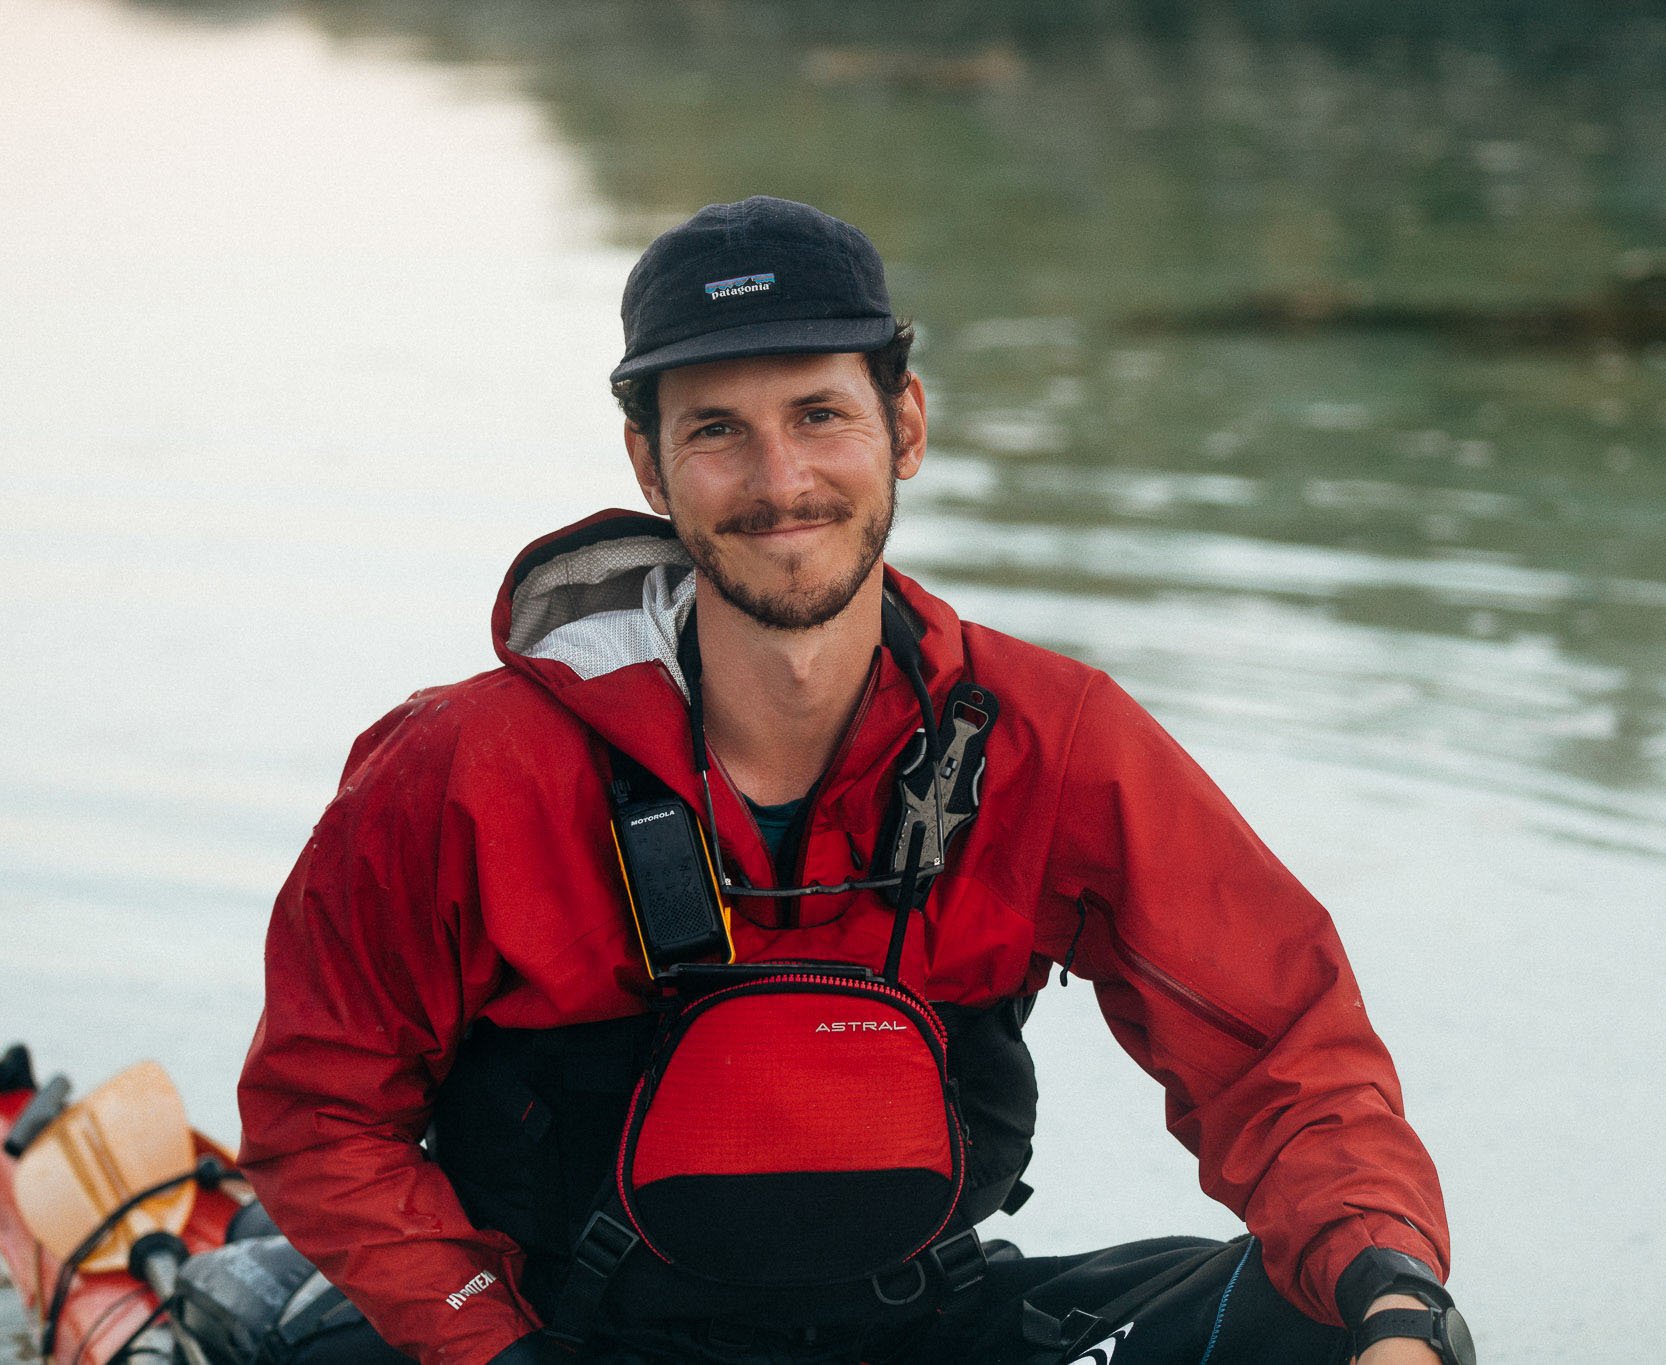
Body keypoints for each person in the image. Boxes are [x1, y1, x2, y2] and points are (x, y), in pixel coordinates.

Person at [237, 197, 1472, 1365]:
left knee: (1338, 1313)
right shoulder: (462, 767)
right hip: (561, 1332)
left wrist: (1396, 1298)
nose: (781, 482)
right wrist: (486, 1346)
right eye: (716, 428)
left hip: (924, 1330)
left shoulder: (1054, 738)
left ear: (908, 428)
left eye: (819, 414)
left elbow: (1281, 1057)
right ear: (651, 468)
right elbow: (322, 1110)